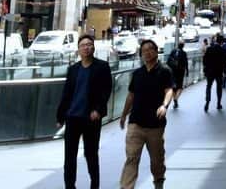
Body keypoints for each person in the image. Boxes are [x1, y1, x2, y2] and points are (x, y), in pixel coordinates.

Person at [56, 35, 112, 189]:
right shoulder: (73, 69)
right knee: (69, 156)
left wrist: (98, 110)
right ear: (78, 49)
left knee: (91, 154)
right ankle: (69, 186)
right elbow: (66, 93)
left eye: (89, 44)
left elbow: (106, 91)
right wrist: (60, 116)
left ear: (93, 47)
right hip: (73, 117)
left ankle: (94, 185)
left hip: (91, 118)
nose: (86, 47)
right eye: (83, 45)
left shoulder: (102, 67)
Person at [119, 40, 175, 189]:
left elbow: (169, 90)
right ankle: (126, 187)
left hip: (155, 125)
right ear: (141, 54)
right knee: (131, 159)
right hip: (135, 123)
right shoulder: (137, 73)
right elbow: (131, 95)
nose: (147, 52)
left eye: (151, 49)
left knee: (157, 160)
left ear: (156, 51)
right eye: (144, 50)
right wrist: (124, 115)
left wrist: (164, 106)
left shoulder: (165, 71)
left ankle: (158, 182)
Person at [202, 34, 226, 112]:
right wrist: (225, 72)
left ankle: (207, 102)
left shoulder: (209, 49)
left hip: (210, 71)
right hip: (219, 72)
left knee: (209, 86)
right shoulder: (223, 50)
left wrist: (205, 69)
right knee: (219, 87)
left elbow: (204, 60)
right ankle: (218, 103)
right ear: (221, 42)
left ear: (215, 41)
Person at [166, 41, 189, 109]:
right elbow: (186, 63)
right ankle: (176, 98)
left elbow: (168, 61)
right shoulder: (184, 53)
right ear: (183, 46)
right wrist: (187, 71)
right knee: (180, 87)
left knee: (173, 87)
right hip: (180, 71)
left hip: (173, 71)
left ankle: (175, 99)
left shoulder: (173, 51)